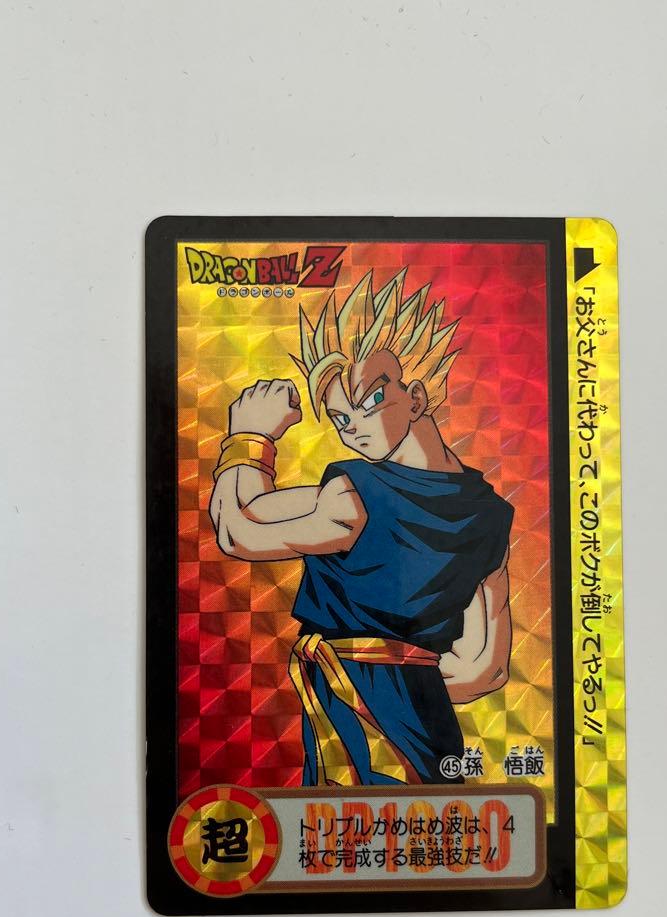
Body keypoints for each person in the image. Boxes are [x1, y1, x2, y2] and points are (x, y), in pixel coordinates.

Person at [209, 269, 513, 785]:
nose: (353, 428)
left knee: (350, 818)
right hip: (428, 725)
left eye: (370, 401)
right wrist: (408, 674)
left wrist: (251, 435)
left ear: (417, 398)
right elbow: (483, 667)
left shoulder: (356, 494)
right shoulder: (491, 514)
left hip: (356, 710)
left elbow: (238, 529)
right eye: (340, 419)